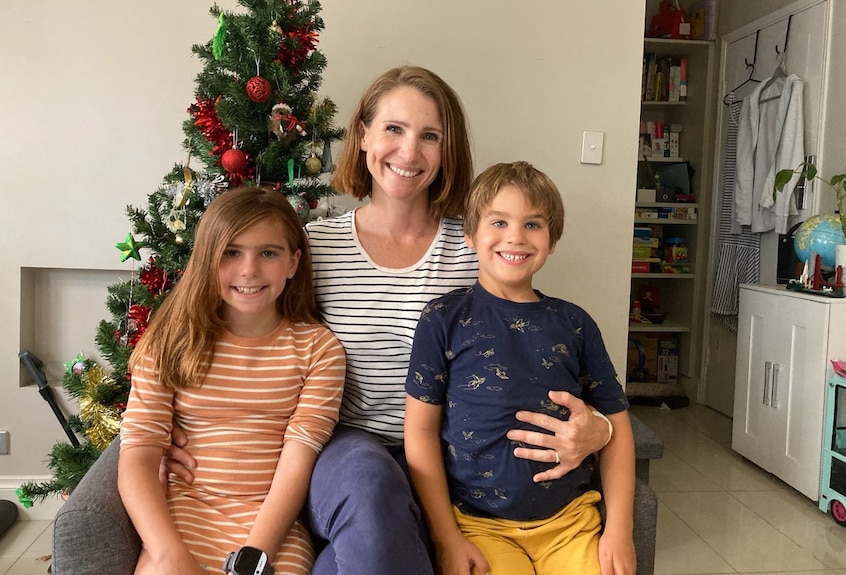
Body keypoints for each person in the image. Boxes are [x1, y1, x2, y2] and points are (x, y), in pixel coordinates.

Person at [155, 66, 613, 574]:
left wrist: (600, 431)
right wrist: (184, 431)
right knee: (372, 488)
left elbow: (540, 356)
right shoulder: (316, 246)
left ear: (448, 151)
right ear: (363, 135)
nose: (410, 152)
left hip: (453, 459)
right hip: (349, 450)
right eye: (393, 129)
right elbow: (257, 340)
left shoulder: (481, 243)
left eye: (430, 136)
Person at [404, 161, 636, 575]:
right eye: (499, 221)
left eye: (533, 225)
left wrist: (619, 530)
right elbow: (420, 431)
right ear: (471, 235)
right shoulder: (443, 319)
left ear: (552, 241)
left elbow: (617, 426)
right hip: (479, 527)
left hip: (571, 522)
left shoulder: (576, 323)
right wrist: (446, 538)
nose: (515, 236)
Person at [118, 186, 346, 574]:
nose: (249, 271)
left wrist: (253, 556)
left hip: (271, 531)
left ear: (293, 263)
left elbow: (298, 461)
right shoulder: (172, 338)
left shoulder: (319, 350)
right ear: (208, 259)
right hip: (180, 524)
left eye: (268, 253)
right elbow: (138, 455)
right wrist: (170, 556)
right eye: (232, 252)